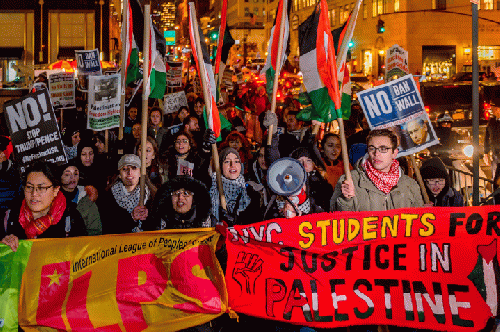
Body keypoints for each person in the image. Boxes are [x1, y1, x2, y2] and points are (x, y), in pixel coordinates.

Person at [1, 162, 87, 252]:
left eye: (41, 188)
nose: (34, 194)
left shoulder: (71, 219)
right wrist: (3, 244)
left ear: (55, 190)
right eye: (29, 187)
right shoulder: (9, 218)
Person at [331, 129, 424, 211]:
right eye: (372, 148)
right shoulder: (350, 180)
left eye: (383, 149)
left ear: (394, 153)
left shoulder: (410, 185)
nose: (376, 153)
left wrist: (426, 212)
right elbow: (335, 219)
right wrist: (345, 200)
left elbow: (416, 224)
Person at [98, 154, 156, 234]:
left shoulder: (152, 197)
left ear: (140, 173)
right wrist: (131, 218)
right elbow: (108, 228)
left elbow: (156, 227)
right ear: (119, 175)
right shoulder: (107, 197)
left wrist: (149, 218)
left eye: (134, 168)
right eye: (125, 169)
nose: (129, 173)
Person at [211, 147, 263, 226]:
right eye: (227, 161)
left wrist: (236, 221)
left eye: (236, 161)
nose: (232, 165)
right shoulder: (212, 190)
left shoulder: (251, 194)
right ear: (220, 166)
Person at [147, 175, 214, 230]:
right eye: (176, 193)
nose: (180, 197)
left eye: (186, 193)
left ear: (194, 198)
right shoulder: (157, 222)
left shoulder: (210, 223)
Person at [60, 161, 102, 235]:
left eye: (75, 174)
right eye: (67, 174)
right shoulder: (51, 198)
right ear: (60, 177)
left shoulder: (88, 198)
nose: (73, 178)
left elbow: (96, 231)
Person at [485, 102, 500, 181]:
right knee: (494, 175)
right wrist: (486, 152)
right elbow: (487, 137)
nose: (491, 110)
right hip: (495, 152)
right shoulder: (492, 121)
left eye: (493, 108)